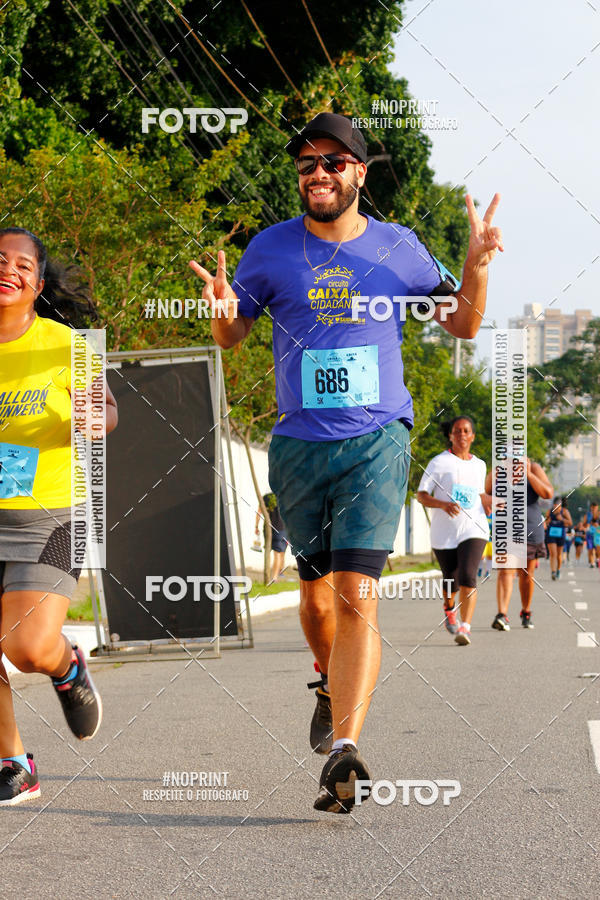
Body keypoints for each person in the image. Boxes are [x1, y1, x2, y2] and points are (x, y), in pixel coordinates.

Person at [190, 112, 502, 813]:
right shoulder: (269, 251)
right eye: (307, 164)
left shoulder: (399, 248)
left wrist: (476, 269)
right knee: (314, 600)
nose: (319, 174)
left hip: (377, 438)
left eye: (334, 162)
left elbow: (464, 323)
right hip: (299, 444)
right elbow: (234, 334)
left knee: (358, 593)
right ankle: (328, 683)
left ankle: (344, 751)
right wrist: (218, 312)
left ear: (361, 172)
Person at [0, 227, 118, 806]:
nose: (9, 270)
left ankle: (66, 665)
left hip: (54, 514)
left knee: (25, 648)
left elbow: (108, 409)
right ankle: (13, 761)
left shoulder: (68, 344)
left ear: (38, 283)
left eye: (22, 265)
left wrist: (94, 419)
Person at [417, 416, 491, 645]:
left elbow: (477, 494)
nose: (461, 435)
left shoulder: (479, 465)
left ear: (472, 436)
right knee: (451, 578)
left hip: (474, 526)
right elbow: (422, 495)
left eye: (466, 431)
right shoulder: (439, 462)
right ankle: (449, 607)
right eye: (457, 431)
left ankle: (465, 627)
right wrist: (443, 504)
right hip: (445, 531)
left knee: (468, 575)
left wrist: (490, 501)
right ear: (450, 435)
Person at [486, 457, 553, 631]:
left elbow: (547, 493)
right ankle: (502, 614)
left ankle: (526, 611)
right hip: (506, 529)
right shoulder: (501, 470)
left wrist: (529, 473)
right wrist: (498, 469)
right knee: (505, 571)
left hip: (530, 529)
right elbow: (487, 490)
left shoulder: (534, 468)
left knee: (526, 575)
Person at [254, 491, 288, 580]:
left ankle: (272, 573)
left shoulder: (265, 497)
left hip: (268, 528)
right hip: (282, 529)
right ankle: (275, 577)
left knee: (270, 551)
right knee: (279, 553)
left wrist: (256, 526)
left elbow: (259, 513)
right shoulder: (284, 495)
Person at [545, 497, 572, 580]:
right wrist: (547, 521)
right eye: (555, 505)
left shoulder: (564, 511)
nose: (556, 507)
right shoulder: (550, 511)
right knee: (553, 553)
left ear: (560, 505)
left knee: (559, 555)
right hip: (551, 534)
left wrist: (562, 519)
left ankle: (558, 570)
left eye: (558, 505)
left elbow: (570, 523)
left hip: (561, 535)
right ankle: (553, 572)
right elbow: (545, 522)